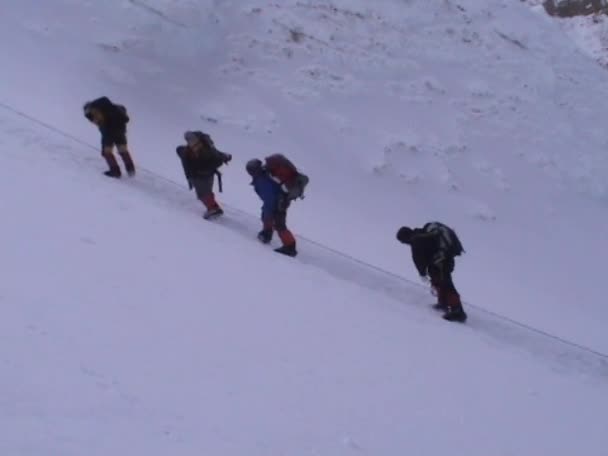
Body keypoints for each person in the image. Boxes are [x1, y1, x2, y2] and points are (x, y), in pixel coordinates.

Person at [396, 222, 467, 322]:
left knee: (446, 283)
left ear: (405, 238)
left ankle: (458, 310)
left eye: (403, 241)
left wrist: (422, 273)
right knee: (438, 280)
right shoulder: (422, 233)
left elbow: (418, 260)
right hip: (443, 258)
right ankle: (443, 303)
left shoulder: (416, 240)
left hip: (442, 260)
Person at [246, 158, 298, 257]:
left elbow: (270, 199)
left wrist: (268, 211)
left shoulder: (262, 180)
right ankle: (266, 233)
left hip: (279, 202)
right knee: (266, 215)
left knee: (279, 224)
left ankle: (290, 246)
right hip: (280, 200)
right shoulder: (265, 174)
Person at [176, 130, 232, 219]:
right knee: (206, 192)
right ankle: (214, 207)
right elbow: (215, 153)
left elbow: (190, 165)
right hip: (208, 173)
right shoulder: (204, 146)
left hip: (201, 175)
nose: (192, 143)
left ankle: (213, 209)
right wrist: (224, 156)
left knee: (203, 194)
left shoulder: (194, 151)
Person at [83, 96, 135, 178]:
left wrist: (100, 124)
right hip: (121, 130)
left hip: (108, 131)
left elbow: (99, 120)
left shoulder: (94, 109)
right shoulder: (113, 107)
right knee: (122, 150)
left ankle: (115, 171)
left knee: (106, 152)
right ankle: (130, 169)